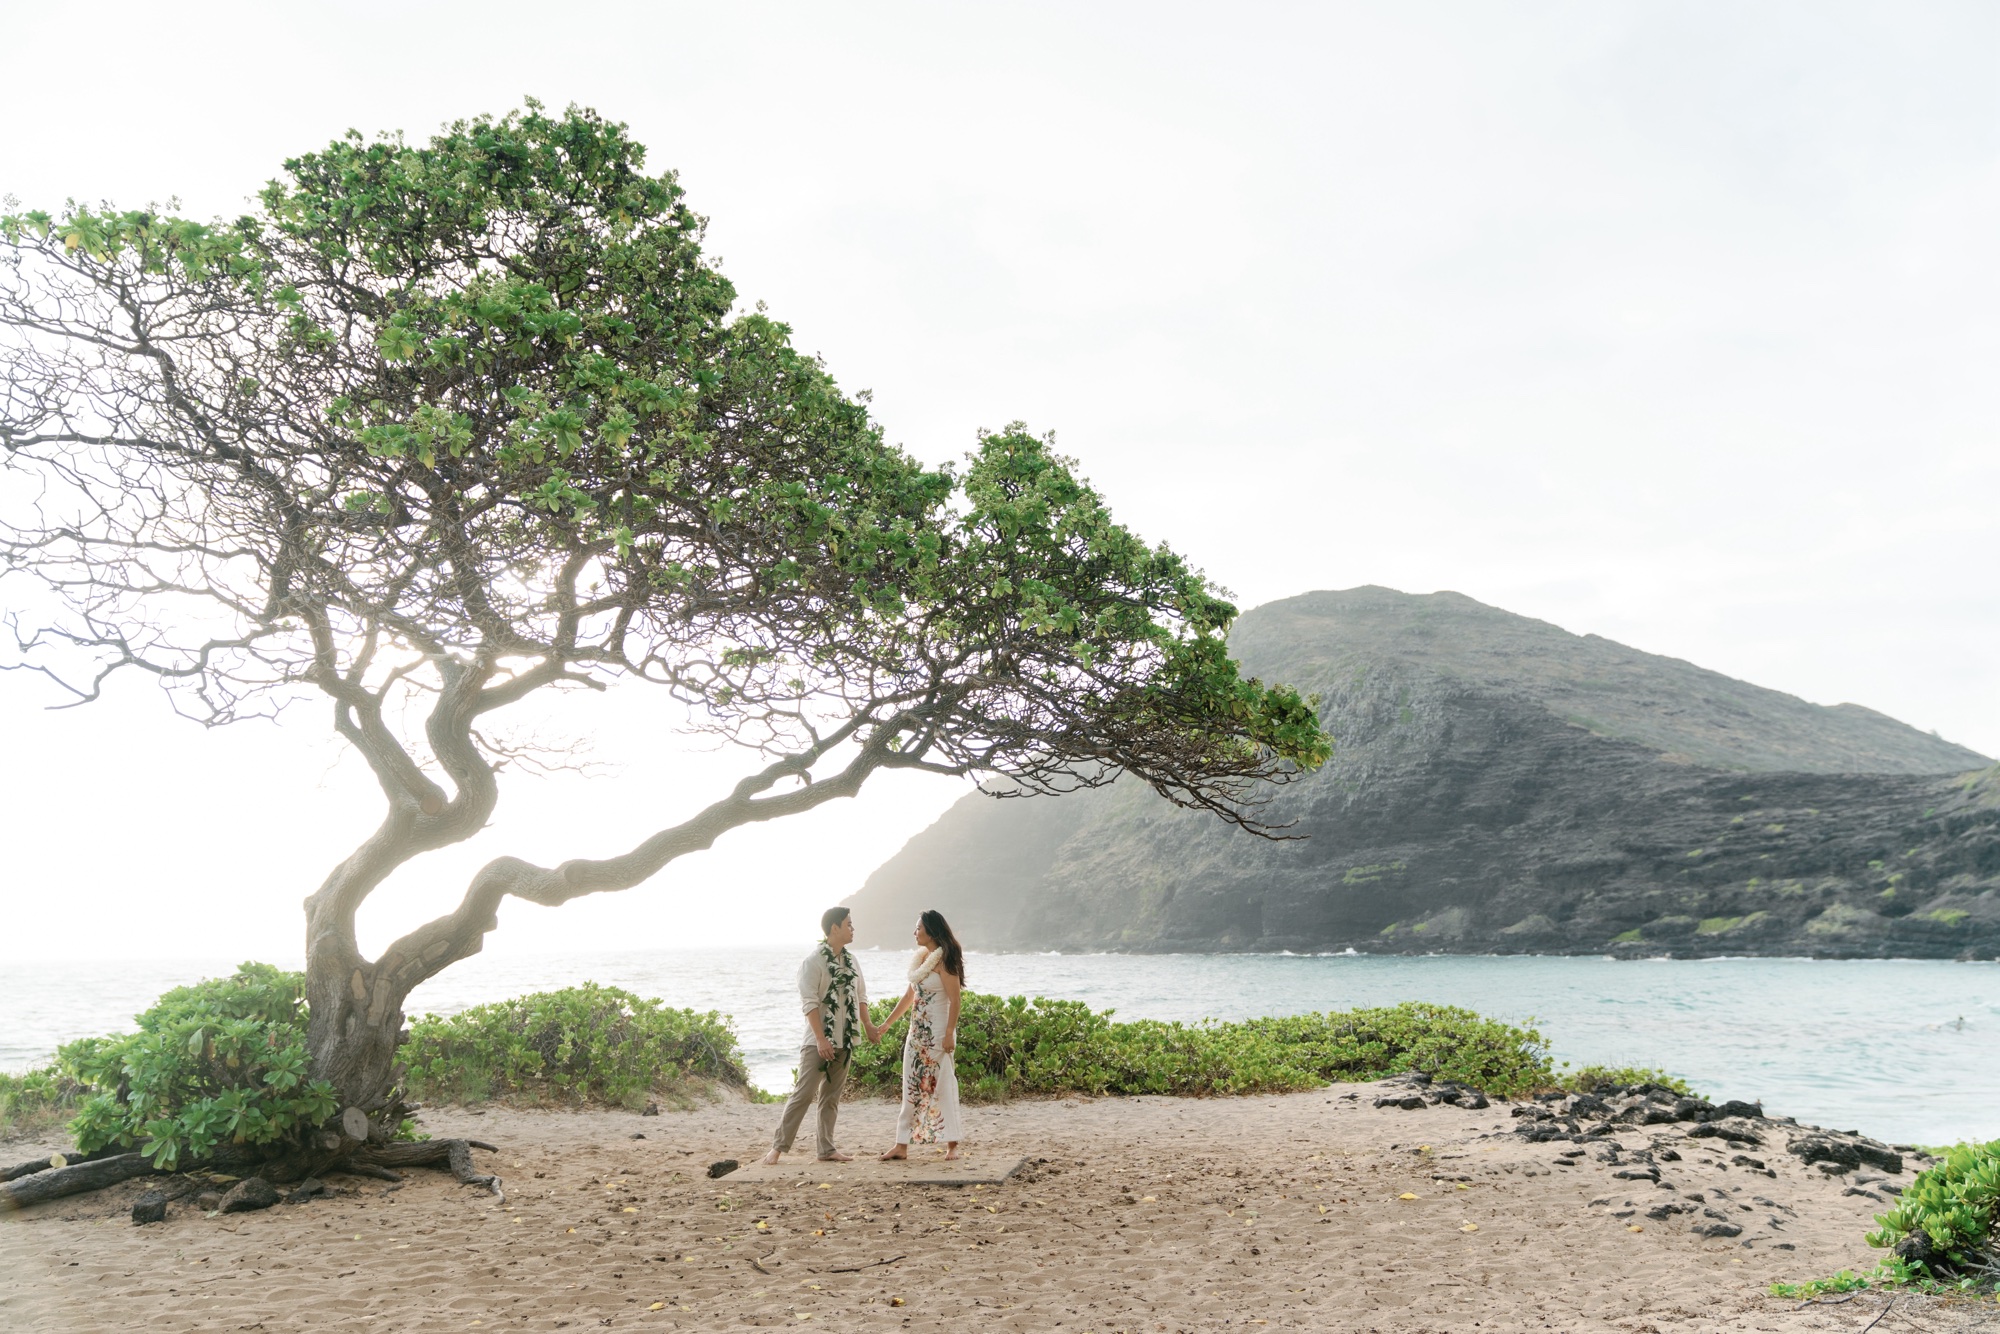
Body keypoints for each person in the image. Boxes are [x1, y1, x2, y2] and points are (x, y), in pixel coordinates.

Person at [762, 906, 876, 1165]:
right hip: (817, 1041)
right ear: (834, 928)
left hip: (845, 1038)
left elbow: (861, 997)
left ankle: (826, 1149)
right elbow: (810, 1004)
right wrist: (821, 1039)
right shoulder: (813, 962)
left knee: (831, 1097)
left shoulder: (852, 961)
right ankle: (777, 1148)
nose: (853, 929)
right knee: (803, 1093)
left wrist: (867, 1025)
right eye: (848, 924)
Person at [877, 909, 965, 1161]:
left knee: (944, 1084)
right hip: (916, 1034)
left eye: (918, 928)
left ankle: (952, 1145)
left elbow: (955, 999)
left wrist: (949, 1033)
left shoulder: (944, 959)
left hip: (938, 1034)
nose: (914, 932)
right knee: (910, 1085)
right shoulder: (920, 960)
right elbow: (909, 997)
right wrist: (886, 1025)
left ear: (931, 930)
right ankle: (901, 1145)